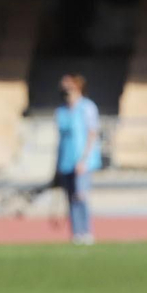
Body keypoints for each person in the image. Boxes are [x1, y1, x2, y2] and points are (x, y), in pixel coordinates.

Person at [55, 73, 101, 246]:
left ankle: (86, 231)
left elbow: (92, 134)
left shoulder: (87, 107)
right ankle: (76, 233)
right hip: (66, 160)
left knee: (81, 196)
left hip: (83, 161)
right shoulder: (61, 111)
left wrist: (84, 159)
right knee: (70, 198)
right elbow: (60, 139)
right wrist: (57, 165)